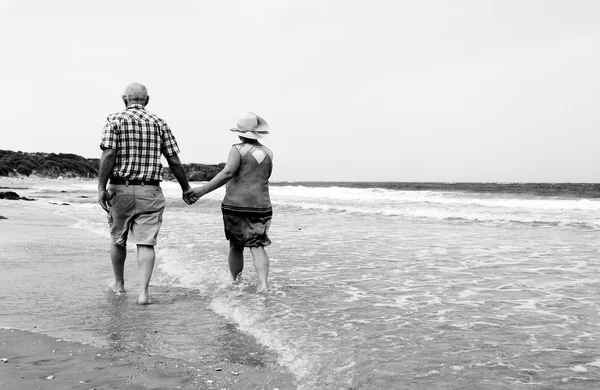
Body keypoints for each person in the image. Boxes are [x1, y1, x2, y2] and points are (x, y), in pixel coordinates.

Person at [97, 82, 194, 304]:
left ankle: (119, 285)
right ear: (147, 100)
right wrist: (185, 187)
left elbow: (108, 154)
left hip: (119, 188)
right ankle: (143, 293)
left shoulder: (114, 120)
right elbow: (173, 159)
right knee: (146, 243)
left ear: (124, 99)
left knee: (118, 238)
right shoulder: (159, 123)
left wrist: (102, 187)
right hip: (150, 190)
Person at [189, 112, 273, 293]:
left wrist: (201, 191)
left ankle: (236, 282)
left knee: (236, 245)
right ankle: (263, 284)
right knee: (257, 245)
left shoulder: (237, 149)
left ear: (240, 133)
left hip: (237, 205)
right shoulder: (268, 153)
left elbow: (227, 173)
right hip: (262, 206)